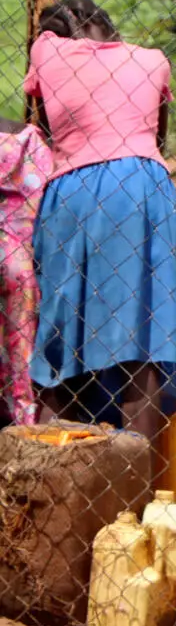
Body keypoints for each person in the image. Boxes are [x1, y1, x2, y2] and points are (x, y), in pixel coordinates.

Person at [24, 0, 176, 482]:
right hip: (144, 192)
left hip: (74, 193)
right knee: (141, 343)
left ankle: (51, 484)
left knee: (60, 342)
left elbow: (42, 124)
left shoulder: (47, 52)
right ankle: (134, 496)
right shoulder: (152, 59)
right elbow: (155, 138)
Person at [0, 116, 52, 426]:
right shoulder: (29, 139)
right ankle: (23, 419)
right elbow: (46, 191)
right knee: (22, 348)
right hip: (21, 258)